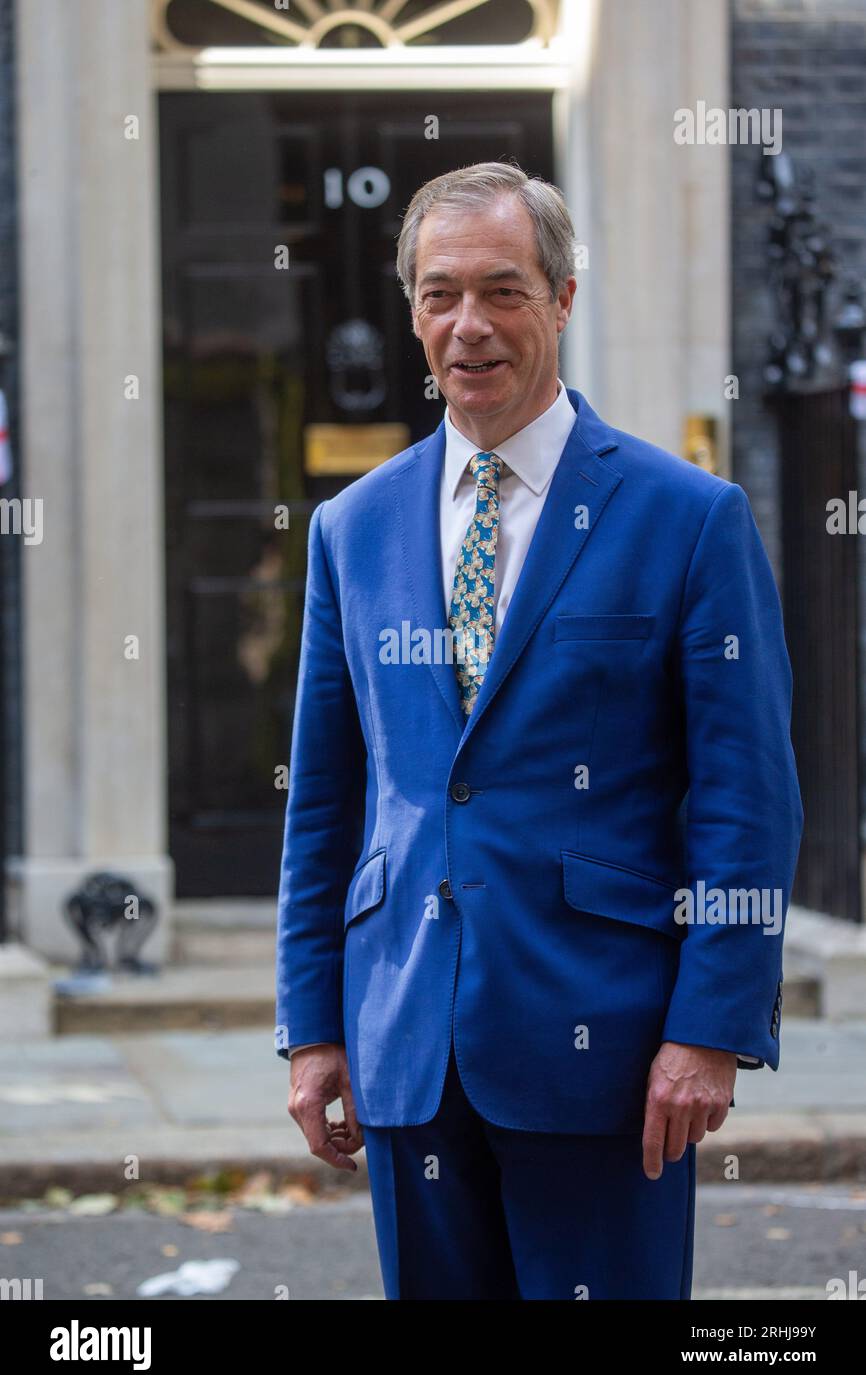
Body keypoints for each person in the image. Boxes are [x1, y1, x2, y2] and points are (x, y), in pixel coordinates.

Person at [274, 161, 803, 1300]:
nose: (468, 327)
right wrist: (312, 1027)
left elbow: (743, 793)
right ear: (412, 311)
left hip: (605, 1050)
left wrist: (710, 1025)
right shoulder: (350, 527)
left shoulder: (686, 517)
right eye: (439, 294)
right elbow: (326, 795)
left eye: (503, 291)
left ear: (562, 299)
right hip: (407, 1041)